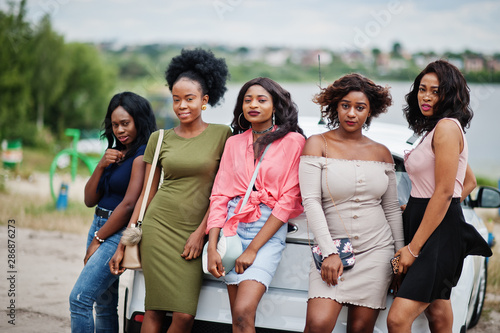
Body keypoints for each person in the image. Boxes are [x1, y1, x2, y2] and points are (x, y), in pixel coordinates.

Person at [109, 48, 231, 333]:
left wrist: (200, 233)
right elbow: (145, 196)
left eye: (189, 99)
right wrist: (122, 244)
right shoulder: (159, 138)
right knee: (153, 309)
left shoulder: (222, 134)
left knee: (184, 316)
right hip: (158, 228)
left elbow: (223, 191)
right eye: (176, 100)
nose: (182, 106)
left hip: (193, 230)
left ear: (205, 100)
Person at [387, 60, 492, 332]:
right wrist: (414, 205)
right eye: (422, 89)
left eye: (436, 91)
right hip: (426, 221)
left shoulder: (446, 128)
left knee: (398, 319)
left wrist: (412, 249)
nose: (426, 96)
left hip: (440, 231)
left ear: (451, 95)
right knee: (437, 309)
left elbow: (445, 192)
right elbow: (467, 182)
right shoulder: (434, 129)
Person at [299, 73, 404, 333]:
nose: (352, 113)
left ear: (370, 111)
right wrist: (329, 253)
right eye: (346, 105)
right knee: (318, 324)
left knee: (360, 329)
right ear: (336, 105)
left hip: (377, 251)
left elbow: (391, 208)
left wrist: (398, 259)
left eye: (360, 107)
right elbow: (310, 201)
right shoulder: (317, 144)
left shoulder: (382, 152)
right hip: (332, 249)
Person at [206, 77, 306, 332]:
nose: (253, 105)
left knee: (243, 310)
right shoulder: (234, 142)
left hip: (266, 230)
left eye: (262, 100)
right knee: (237, 319)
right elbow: (219, 195)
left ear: (276, 106)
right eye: (248, 100)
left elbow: (288, 200)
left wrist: (252, 250)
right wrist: (213, 246)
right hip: (232, 229)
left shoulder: (293, 142)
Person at [69, 91, 157, 332]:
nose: (119, 130)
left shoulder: (141, 156)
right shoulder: (116, 154)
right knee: (104, 306)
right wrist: (101, 165)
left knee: (79, 299)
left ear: (139, 120)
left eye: (125, 123)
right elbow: (89, 199)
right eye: (115, 124)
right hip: (98, 223)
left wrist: (99, 239)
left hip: (114, 232)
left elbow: (129, 204)